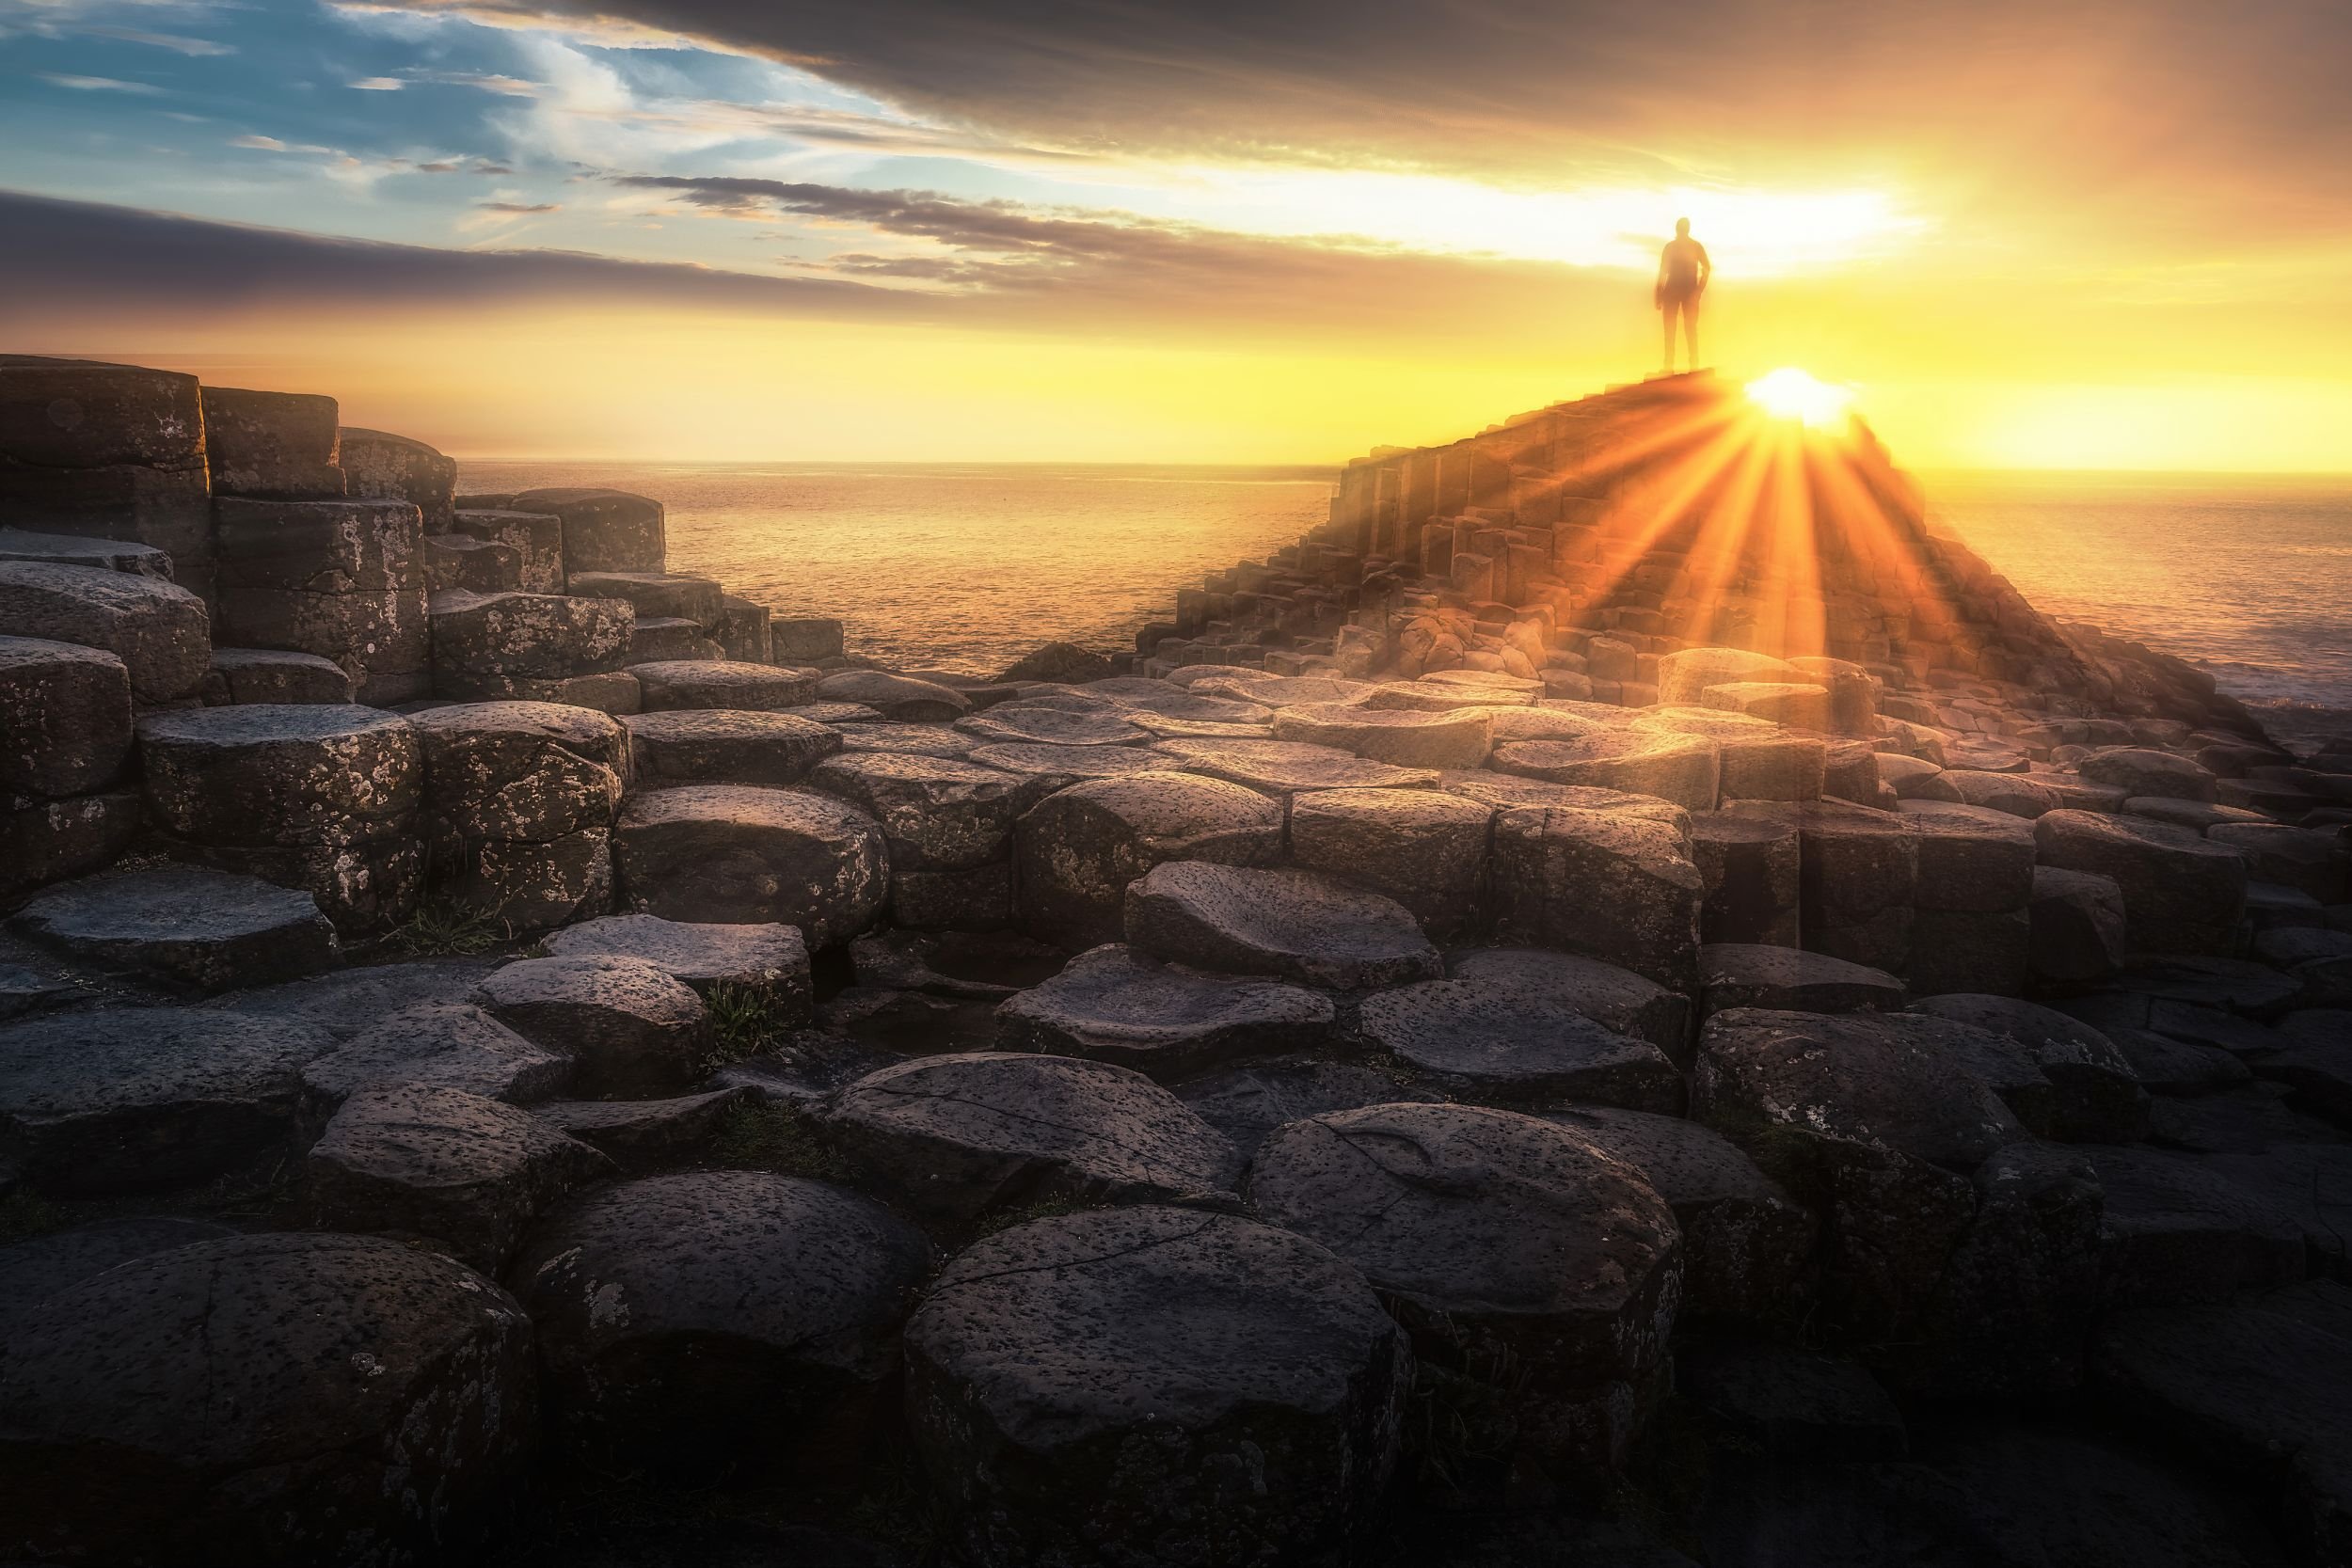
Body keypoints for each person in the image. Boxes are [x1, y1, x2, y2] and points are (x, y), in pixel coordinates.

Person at [1655, 217, 1709, 373]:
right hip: (1674, 292)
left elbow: (1706, 268)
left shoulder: (1694, 247)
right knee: (1672, 330)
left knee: (1688, 329)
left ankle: (1692, 365)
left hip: (1687, 293)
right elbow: (1663, 271)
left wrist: (1698, 290)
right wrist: (1659, 294)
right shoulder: (1673, 247)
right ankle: (1670, 366)